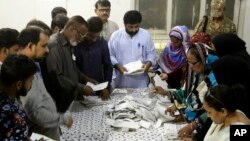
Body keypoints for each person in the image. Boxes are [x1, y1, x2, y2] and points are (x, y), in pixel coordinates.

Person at [18, 26, 73, 140]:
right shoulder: (22, 72)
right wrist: (62, 119)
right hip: (41, 134)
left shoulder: (34, 64)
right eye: (43, 46)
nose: (47, 50)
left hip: (49, 130)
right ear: (30, 46)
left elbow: (42, 96)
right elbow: (35, 112)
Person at [155, 43, 218, 140]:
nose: (191, 67)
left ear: (204, 59)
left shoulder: (215, 79)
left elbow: (213, 109)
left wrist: (195, 124)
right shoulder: (198, 73)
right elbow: (189, 95)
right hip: (191, 123)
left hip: (205, 128)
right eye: (188, 62)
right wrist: (167, 94)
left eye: (193, 63)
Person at [45, 15, 95, 112]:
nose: (81, 39)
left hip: (71, 98)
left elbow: (72, 68)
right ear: (72, 29)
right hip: (59, 100)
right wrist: (81, 87)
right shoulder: (54, 44)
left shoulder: (69, 43)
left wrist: (85, 78)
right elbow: (57, 76)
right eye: (81, 35)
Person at [109, 10, 157, 88]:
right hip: (121, 78)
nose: (134, 30)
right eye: (130, 27)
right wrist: (117, 66)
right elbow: (110, 55)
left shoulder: (145, 35)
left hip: (140, 79)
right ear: (124, 24)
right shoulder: (116, 36)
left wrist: (148, 63)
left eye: (137, 26)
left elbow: (151, 53)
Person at [0, 55, 38, 140]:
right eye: (31, 80)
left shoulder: (10, 98)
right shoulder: (8, 113)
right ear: (19, 85)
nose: (31, 85)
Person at [212, 33, 250, 118]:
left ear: (224, 48)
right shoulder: (245, 58)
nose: (213, 54)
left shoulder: (229, 64)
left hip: (240, 116)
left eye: (215, 50)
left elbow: (224, 96)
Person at [75, 16, 112, 100]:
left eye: (97, 36)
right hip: (80, 89)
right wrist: (81, 87)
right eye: (91, 36)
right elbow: (74, 68)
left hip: (99, 88)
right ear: (85, 31)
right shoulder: (77, 44)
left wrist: (106, 87)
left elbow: (108, 67)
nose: (94, 39)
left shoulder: (102, 44)